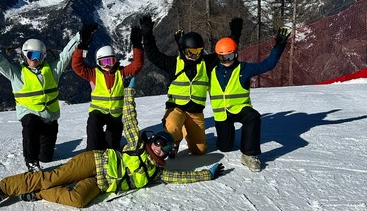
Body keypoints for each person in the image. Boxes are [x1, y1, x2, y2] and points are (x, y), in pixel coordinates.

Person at [0, 78, 225, 208]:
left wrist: (206, 175)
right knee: (52, 177)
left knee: (78, 200)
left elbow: (183, 178)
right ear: (152, 141)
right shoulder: (137, 146)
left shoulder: (157, 173)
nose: (159, 146)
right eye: (157, 141)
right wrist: (129, 93)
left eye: (164, 146)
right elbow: (130, 120)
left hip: (100, 183)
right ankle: (5, 187)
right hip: (93, 162)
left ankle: (38, 195)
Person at [0, 17, 81, 172]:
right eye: (31, 55)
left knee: (46, 157)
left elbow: (66, 53)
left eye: (39, 56)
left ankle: (39, 148)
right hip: (30, 116)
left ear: (44, 57)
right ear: (25, 56)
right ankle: (31, 163)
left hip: (49, 120)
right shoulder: (16, 73)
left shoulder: (53, 71)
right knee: (30, 124)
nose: (35, 59)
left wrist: (80, 35)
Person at [139, 15, 243, 157]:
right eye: (191, 52)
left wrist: (235, 35)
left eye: (198, 52)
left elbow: (225, 52)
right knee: (172, 126)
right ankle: (174, 142)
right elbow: (153, 55)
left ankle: (186, 131)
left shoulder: (205, 63)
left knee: (199, 151)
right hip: (176, 108)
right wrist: (147, 34)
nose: (195, 55)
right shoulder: (174, 63)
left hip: (195, 113)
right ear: (183, 50)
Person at [210, 28, 292, 172]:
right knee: (225, 147)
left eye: (230, 57)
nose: (227, 61)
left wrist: (279, 46)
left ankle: (248, 154)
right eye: (223, 58)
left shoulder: (244, 68)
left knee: (253, 117)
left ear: (236, 54)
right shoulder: (211, 71)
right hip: (221, 115)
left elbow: (268, 65)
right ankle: (227, 136)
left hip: (240, 108)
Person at [72, 23, 144, 150]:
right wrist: (83, 46)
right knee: (93, 128)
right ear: (98, 62)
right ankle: (92, 153)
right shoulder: (94, 74)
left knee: (112, 147)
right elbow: (77, 66)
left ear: (115, 61)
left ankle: (109, 147)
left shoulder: (120, 73)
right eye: (103, 62)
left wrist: (137, 45)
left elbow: (137, 65)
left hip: (115, 116)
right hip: (98, 113)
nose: (107, 65)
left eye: (110, 61)